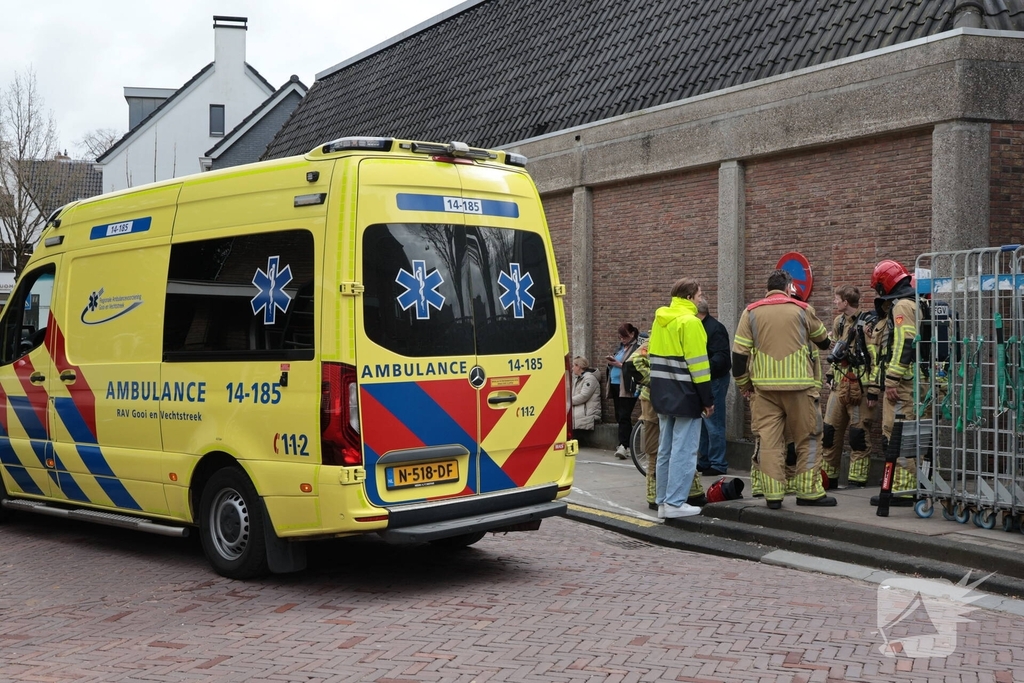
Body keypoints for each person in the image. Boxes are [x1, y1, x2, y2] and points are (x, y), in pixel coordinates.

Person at [732, 269, 835, 509]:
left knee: (769, 441)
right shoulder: (802, 309)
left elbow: (738, 356)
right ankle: (809, 492)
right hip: (799, 388)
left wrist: (744, 384)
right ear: (789, 287)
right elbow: (822, 341)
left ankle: (774, 496)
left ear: (768, 289)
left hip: (764, 390)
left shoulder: (750, 312)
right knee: (808, 438)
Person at [649, 278, 715, 519]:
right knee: (684, 451)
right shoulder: (691, 323)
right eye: (699, 294)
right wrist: (707, 400)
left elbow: (652, 358)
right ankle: (676, 503)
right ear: (689, 297)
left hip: (662, 393)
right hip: (686, 394)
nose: (701, 298)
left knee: (665, 449)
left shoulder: (660, 320)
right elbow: (699, 367)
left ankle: (663, 501)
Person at [625, 337, 706, 511]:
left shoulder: (663, 339)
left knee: (675, 447)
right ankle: (656, 496)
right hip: (658, 399)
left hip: (666, 398)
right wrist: (654, 382)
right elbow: (633, 362)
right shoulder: (657, 340)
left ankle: (690, 492)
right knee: (660, 448)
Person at [867, 259, 918, 507]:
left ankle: (904, 490)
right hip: (919, 384)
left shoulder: (901, 307)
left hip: (904, 387)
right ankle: (920, 485)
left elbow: (903, 343)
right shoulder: (919, 303)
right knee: (920, 437)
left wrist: (892, 379)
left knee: (897, 434)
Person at [822, 285, 876, 488]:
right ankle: (828, 478)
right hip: (839, 384)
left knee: (858, 435)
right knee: (829, 432)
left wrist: (873, 389)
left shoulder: (867, 323)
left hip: (859, 386)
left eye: (837, 299)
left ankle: (857, 480)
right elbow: (836, 350)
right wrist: (829, 375)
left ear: (846, 302)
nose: (835, 302)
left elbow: (874, 357)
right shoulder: (839, 322)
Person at [696, 297, 732, 476]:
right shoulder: (705, 327)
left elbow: (722, 358)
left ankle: (717, 463)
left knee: (713, 422)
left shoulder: (714, 328)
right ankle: (705, 460)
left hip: (714, 380)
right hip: (707, 379)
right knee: (704, 421)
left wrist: (701, 366)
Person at [605, 323, 641, 458]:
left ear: (632, 334)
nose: (622, 339)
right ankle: (625, 444)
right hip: (615, 384)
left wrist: (619, 364)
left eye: (624, 337)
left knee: (624, 415)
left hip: (626, 386)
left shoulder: (636, 348)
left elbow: (635, 365)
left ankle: (624, 445)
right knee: (619, 415)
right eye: (620, 337)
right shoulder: (620, 348)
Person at [571, 357, 601, 431]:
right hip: (581, 415)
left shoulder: (589, 378)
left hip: (587, 415)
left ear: (579, 367)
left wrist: (568, 402)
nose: (572, 368)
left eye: (573, 366)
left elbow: (583, 396)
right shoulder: (578, 378)